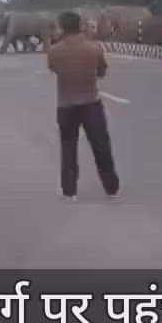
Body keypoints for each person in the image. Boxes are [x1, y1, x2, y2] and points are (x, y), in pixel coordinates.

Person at [47, 11, 120, 201]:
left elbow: (54, 68)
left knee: (68, 147)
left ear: (62, 27)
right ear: (80, 25)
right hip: (91, 104)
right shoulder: (94, 48)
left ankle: (70, 191)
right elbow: (102, 71)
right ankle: (111, 187)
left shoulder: (54, 51)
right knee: (101, 146)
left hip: (66, 105)